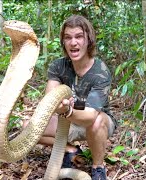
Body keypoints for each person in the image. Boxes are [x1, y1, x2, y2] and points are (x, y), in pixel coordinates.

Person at [25, 14, 116, 180]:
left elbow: (90, 116)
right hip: (68, 120)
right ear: (63, 42)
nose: (73, 42)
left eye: (79, 37)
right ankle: (70, 149)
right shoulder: (58, 66)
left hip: (94, 121)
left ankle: (98, 167)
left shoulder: (100, 71)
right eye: (68, 37)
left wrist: (67, 110)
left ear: (88, 40)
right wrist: (59, 105)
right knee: (28, 128)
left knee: (97, 122)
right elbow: (50, 99)